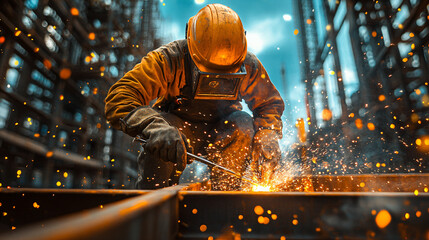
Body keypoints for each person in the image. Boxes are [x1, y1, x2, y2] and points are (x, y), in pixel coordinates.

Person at [105, 3, 284, 190]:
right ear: (191, 47)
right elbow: (120, 97)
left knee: (243, 125)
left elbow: (268, 104)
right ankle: (153, 198)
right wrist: (154, 127)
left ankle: (226, 200)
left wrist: (267, 132)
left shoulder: (248, 64)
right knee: (163, 134)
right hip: (177, 133)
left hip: (223, 131)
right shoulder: (168, 59)